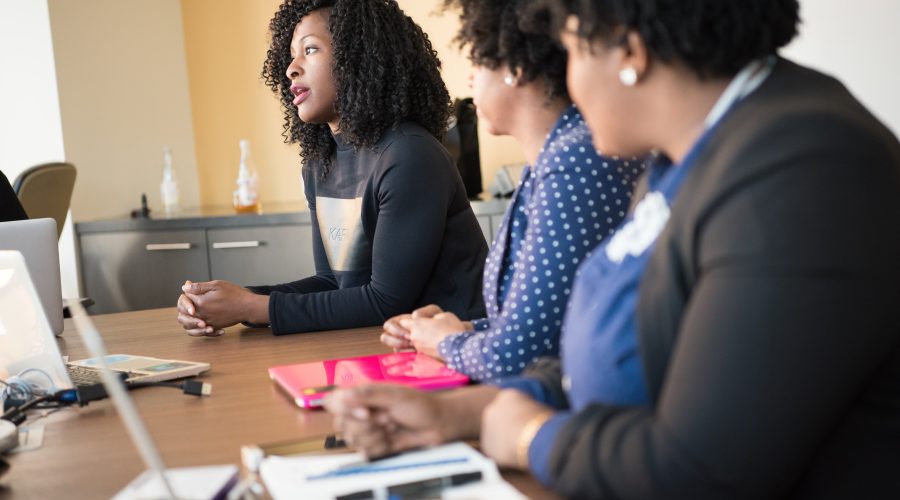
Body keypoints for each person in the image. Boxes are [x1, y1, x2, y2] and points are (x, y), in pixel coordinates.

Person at [326, 0, 900, 498]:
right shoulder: (687, 156)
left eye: (572, 51)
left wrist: (532, 438)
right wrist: (457, 415)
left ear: (628, 51)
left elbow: (700, 472)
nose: (568, 81)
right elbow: (625, 362)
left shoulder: (804, 170)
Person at [176, 0, 488, 336]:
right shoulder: (320, 164)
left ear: (359, 59)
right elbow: (334, 283)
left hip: (458, 354)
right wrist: (237, 301)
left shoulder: (409, 155)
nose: (291, 69)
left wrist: (254, 307)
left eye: (310, 49)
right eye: (291, 55)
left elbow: (386, 301)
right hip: (384, 344)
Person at [378, 0, 644, 382]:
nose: (469, 81)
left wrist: (446, 343)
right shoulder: (556, 157)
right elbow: (548, 326)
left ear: (515, 68)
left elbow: (517, 357)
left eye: (477, 62)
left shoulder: (573, 160)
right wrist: (464, 331)